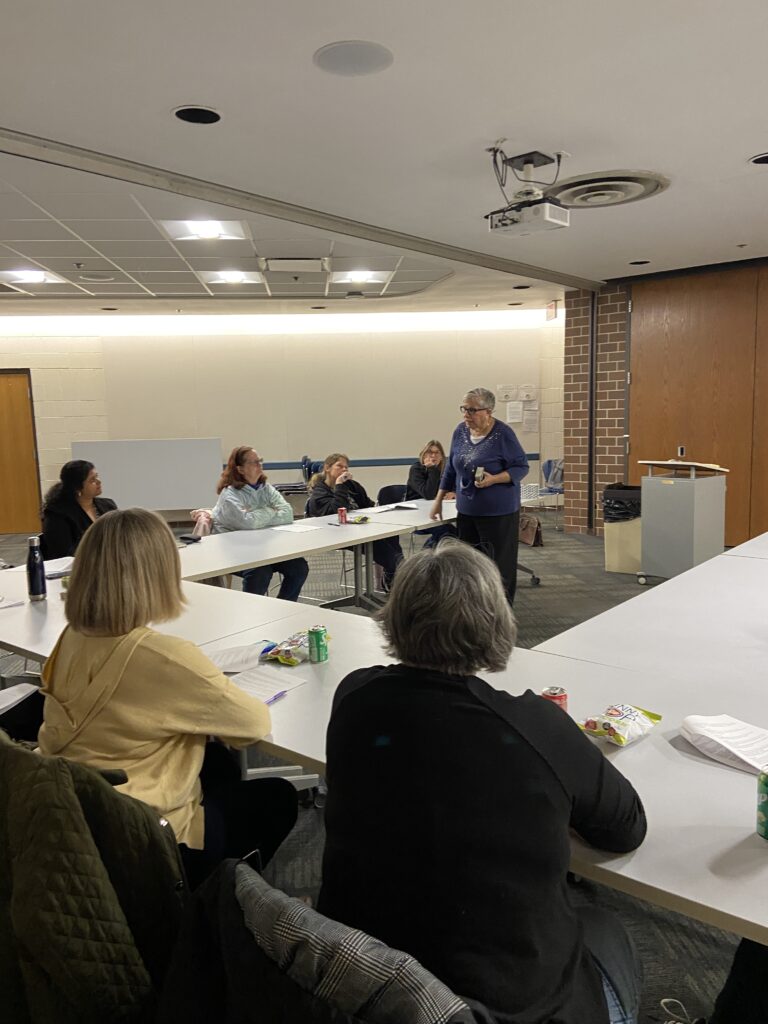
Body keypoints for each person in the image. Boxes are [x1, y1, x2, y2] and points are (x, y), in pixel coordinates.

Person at [318, 541, 646, 1024]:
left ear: (395, 617)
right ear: (495, 620)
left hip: (367, 985)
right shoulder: (537, 727)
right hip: (500, 1007)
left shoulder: (355, 695)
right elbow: (625, 828)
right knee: (606, 929)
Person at [38, 508, 298, 885]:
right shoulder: (165, 656)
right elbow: (252, 725)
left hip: (75, 811)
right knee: (277, 797)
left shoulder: (69, 638)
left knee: (216, 762)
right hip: (148, 835)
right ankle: (210, 900)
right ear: (157, 574)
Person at [430, 386, 529, 604]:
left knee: (498, 566)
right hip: (467, 511)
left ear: (488, 411)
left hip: (498, 513)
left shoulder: (503, 434)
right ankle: (473, 610)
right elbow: (450, 470)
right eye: (464, 409)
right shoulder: (460, 431)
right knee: (469, 565)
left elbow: (521, 467)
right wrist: (438, 501)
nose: (467, 415)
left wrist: (494, 479)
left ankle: (501, 614)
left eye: (472, 410)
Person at [212, 445, 309, 601]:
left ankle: (283, 607)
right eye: (254, 462)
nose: (260, 465)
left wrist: (257, 515)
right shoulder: (229, 495)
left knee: (299, 567)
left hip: (262, 547)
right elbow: (248, 522)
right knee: (260, 571)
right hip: (235, 550)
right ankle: (251, 615)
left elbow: (288, 513)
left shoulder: (266, 489)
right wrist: (271, 511)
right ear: (240, 469)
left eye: (260, 461)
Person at [306, 452, 402, 590]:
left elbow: (367, 505)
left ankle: (393, 573)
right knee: (387, 553)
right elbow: (336, 512)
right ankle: (394, 573)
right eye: (340, 466)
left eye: (346, 467)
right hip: (336, 534)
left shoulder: (352, 485)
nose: (344, 470)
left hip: (360, 529)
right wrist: (339, 485)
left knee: (392, 536)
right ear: (327, 468)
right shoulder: (320, 491)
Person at [40, 459, 117, 559]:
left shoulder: (108, 505)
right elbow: (64, 553)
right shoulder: (57, 514)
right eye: (92, 480)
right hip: (79, 567)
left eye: (97, 476)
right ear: (77, 488)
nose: (99, 481)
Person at [406, 439, 457, 547]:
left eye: (437, 453)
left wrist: (454, 492)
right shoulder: (416, 469)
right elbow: (428, 494)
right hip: (418, 515)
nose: (433, 456)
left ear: (442, 456)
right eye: (430, 452)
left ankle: (431, 549)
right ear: (423, 455)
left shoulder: (444, 469)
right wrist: (432, 469)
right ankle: (428, 553)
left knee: (458, 532)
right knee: (448, 533)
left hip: (439, 512)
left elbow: (454, 486)